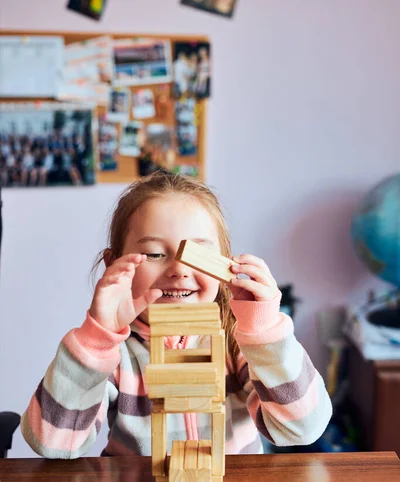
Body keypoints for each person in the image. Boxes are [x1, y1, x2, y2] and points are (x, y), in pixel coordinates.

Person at [21, 170, 332, 459]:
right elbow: (52, 444)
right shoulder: (111, 354)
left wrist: (266, 333)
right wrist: (96, 337)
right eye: (156, 254)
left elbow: (301, 429)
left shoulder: (239, 343)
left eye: (197, 254)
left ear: (224, 264)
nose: (179, 270)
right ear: (112, 264)